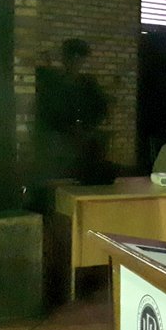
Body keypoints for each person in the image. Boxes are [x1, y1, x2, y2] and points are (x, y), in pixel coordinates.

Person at [30, 38, 113, 208]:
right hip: (59, 139)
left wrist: (86, 127)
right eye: (72, 57)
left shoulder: (87, 83)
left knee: (81, 177)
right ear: (65, 58)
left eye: (79, 58)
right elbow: (46, 111)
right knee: (57, 179)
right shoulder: (53, 81)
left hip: (79, 140)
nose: (76, 62)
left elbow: (102, 107)